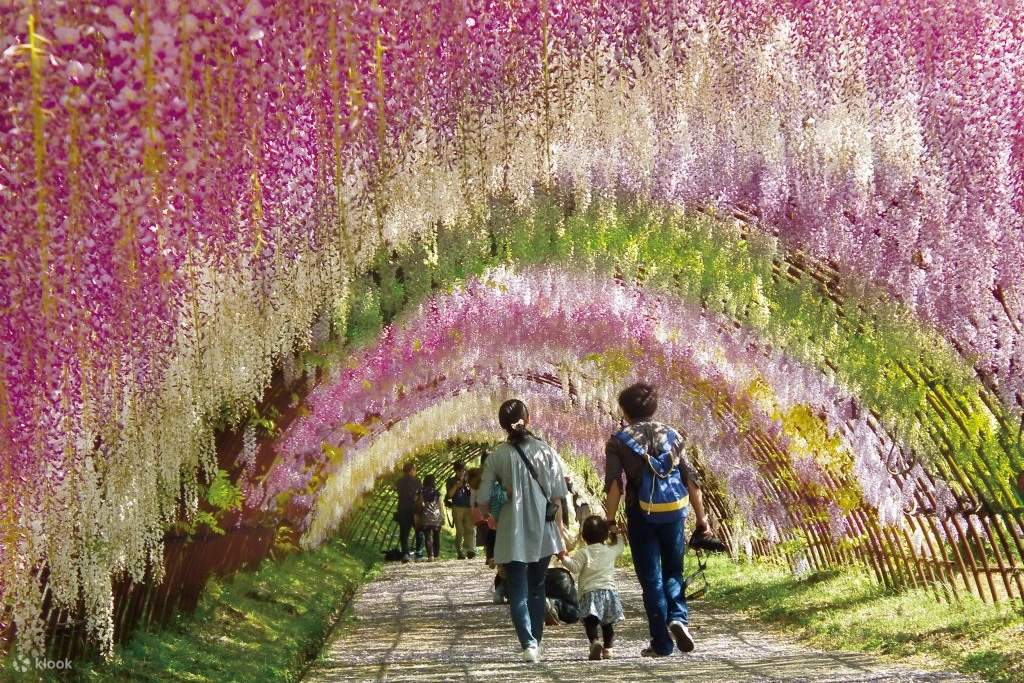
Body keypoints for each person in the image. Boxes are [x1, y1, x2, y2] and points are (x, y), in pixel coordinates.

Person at [603, 382, 723, 657]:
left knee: (651, 579)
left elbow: (614, 486)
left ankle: (662, 642)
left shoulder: (619, 441)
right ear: (654, 408)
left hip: (641, 514)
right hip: (674, 512)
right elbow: (692, 481)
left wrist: (609, 520)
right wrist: (702, 519)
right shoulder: (672, 435)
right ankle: (678, 618)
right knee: (673, 572)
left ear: (624, 411)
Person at [479, 398, 568, 664]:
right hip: (543, 528)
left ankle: (528, 644)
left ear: (502, 426)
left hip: (511, 531)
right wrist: (561, 531)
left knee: (517, 590)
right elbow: (558, 496)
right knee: (537, 587)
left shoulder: (497, 456)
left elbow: (482, 497)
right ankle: (536, 642)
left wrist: (492, 511)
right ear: (528, 420)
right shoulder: (545, 451)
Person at [559, 515, 626, 660]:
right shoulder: (609, 550)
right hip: (609, 592)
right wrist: (618, 533)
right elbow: (620, 547)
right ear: (605, 534)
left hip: (590, 592)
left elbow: (574, 567)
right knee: (607, 624)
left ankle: (594, 642)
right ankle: (608, 649)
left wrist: (563, 557)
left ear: (584, 536)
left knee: (591, 622)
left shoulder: (584, 552)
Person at [446, 461, 476, 559]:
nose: (462, 473)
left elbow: (475, 493)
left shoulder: (469, 480)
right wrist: (456, 486)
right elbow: (449, 495)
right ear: (455, 471)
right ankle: (460, 551)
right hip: (457, 507)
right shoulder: (450, 481)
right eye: (460, 471)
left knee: (470, 529)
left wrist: (469, 486)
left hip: (468, 507)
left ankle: (470, 550)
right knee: (460, 531)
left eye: (464, 470)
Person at [395, 462, 423, 563]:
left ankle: (405, 554)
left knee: (404, 533)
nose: (416, 471)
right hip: (414, 510)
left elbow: (398, 492)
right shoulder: (417, 481)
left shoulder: (399, 481)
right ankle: (419, 554)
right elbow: (419, 495)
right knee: (419, 531)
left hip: (402, 509)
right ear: (411, 470)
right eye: (415, 469)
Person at [416, 474, 445, 561]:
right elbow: (440, 505)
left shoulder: (421, 492)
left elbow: (419, 504)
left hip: (425, 516)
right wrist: (442, 516)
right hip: (436, 516)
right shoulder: (436, 492)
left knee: (428, 536)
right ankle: (436, 555)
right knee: (436, 536)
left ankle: (430, 556)